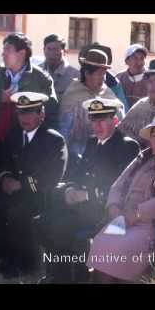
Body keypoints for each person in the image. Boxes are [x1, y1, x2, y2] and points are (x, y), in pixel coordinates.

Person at [38, 97, 140, 283]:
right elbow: (78, 175)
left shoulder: (126, 146)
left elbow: (121, 187)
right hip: (83, 207)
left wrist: (84, 195)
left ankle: (74, 277)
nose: (97, 126)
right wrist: (69, 190)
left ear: (115, 121)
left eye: (102, 120)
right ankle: (59, 274)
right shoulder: (93, 142)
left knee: (61, 228)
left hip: (105, 211)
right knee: (43, 222)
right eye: (93, 120)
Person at [0, 92, 67, 279]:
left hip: (39, 196)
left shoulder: (54, 140)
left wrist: (21, 184)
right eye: (21, 113)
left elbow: (51, 177)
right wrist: (4, 178)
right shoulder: (12, 135)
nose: (25, 118)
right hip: (12, 192)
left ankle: (26, 262)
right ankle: (7, 256)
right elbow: (2, 162)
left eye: (31, 113)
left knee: (17, 214)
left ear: (42, 115)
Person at [87, 113, 155, 283]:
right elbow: (118, 184)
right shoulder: (144, 157)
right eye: (154, 137)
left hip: (150, 225)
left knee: (122, 247)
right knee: (102, 242)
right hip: (123, 218)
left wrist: (137, 214)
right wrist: (113, 208)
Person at [59, 44, 124, 159]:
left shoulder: (108, 93)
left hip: (107, 152)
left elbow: (121, 124)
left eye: (104, 74)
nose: (103, 79)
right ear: (87, 74)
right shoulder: (73, 94)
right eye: (100, 74)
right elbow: (65, 132)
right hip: (77, 152)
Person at [39, 34, 79, 101]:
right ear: (44, 50)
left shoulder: (76, 76)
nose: (52, 53)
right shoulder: (36, 72)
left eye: (56, 49)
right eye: (49, 49)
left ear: (64, 51)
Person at [116, 44, 149, 110]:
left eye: (142, 58)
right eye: (135, 58)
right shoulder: (119, 78)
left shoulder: (151, 79)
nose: (139, 62)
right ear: (127, 61)